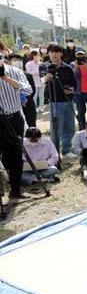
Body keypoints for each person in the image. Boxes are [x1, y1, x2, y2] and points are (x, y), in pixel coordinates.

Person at [0, 52, 33, 199]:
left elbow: (28, 90)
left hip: (14, 118)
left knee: (15, 155)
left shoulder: (14, 71)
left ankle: (15, 190)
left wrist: (5, 79)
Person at [42, 44, 77, 157]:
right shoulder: (44, 67)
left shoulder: (67, 68)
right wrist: (46, 78)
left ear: (61, 53)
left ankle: (66, 150)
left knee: (69, 127)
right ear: (48, 54)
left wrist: (71, 90)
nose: (54, 54)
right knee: (56, 129)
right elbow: (40, 82)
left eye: (57, 52)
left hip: (68, 101)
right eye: (52, 52)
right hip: (55, 102)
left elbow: (75, 84)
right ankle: (55, 153)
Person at [6, 53, 37, 127]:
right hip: (13, 107)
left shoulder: (27, 75)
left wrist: (25, 99)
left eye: (19, 60)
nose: (17, 62)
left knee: (31, 125)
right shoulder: (5, 76)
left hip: (28, 104)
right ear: (9, 62)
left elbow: (32, 90)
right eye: (14, 60)